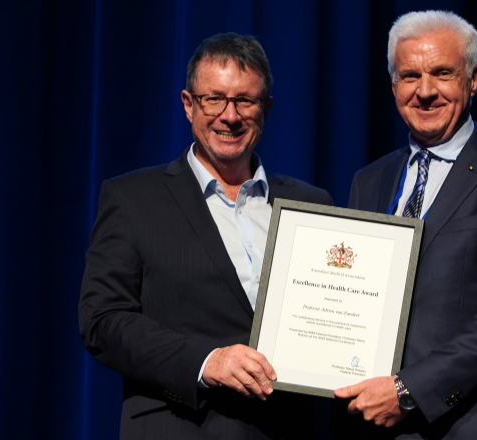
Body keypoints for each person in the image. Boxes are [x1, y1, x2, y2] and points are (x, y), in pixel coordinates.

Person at [79, 33, 331, 439]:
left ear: (265, 109)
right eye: (214, 99)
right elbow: (102, 321)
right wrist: (206, 361)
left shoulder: (312, 204)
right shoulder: (132, 198)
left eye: (245, 101)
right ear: (188, 105)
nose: (229, 116)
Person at [332, 11, 477, 439]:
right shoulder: (370, 180)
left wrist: (407, 390)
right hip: (373, 426)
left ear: (473, 79)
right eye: (409, 75)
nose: (425, 91)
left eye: (442, 73)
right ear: (393, 85)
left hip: (470, 424)